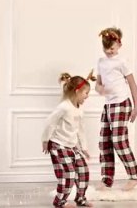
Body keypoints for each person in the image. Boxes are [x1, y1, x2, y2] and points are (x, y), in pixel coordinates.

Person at [95, 27, 137, 191]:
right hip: (109, 105)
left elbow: (132, 84)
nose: (109, 51)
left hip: (122, 103)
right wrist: (100, 89)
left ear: (119, 45)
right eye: (106, 48)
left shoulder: (121, 62)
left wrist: (136, 106)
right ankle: (107, 179)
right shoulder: (101, 62)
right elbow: (98, 84)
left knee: (119, 141)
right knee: (105, 142)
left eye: (112, 48)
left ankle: (134, 175)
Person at [42, 71, 96, 208]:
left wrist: (84, 148)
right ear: (78, 91)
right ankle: (60, 201)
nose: (87, 96)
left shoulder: (79, 109)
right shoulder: (64, 106)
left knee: (83, 171)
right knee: (69, 173)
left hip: (72, 146)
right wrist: (45, 140)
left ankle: (80, 198)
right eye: (86, 93)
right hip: (58, 145)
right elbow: (50, 122)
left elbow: (81, 130)